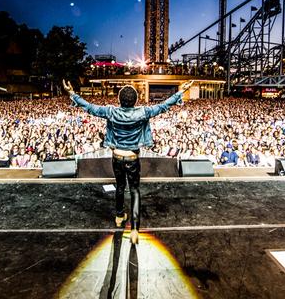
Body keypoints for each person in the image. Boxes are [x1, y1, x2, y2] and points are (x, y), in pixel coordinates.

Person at [63, 79, 194, 244]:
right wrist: (181, 91)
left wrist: (72, 93)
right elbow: (164, 105)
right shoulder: (144, 112)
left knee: (120, 186)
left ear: (119, 100)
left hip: (117, 156)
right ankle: (134, 229)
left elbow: (89, 107)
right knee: (134, 190)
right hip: (132, 157)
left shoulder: (111, 112)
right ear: (136, 100)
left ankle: (119, 217)